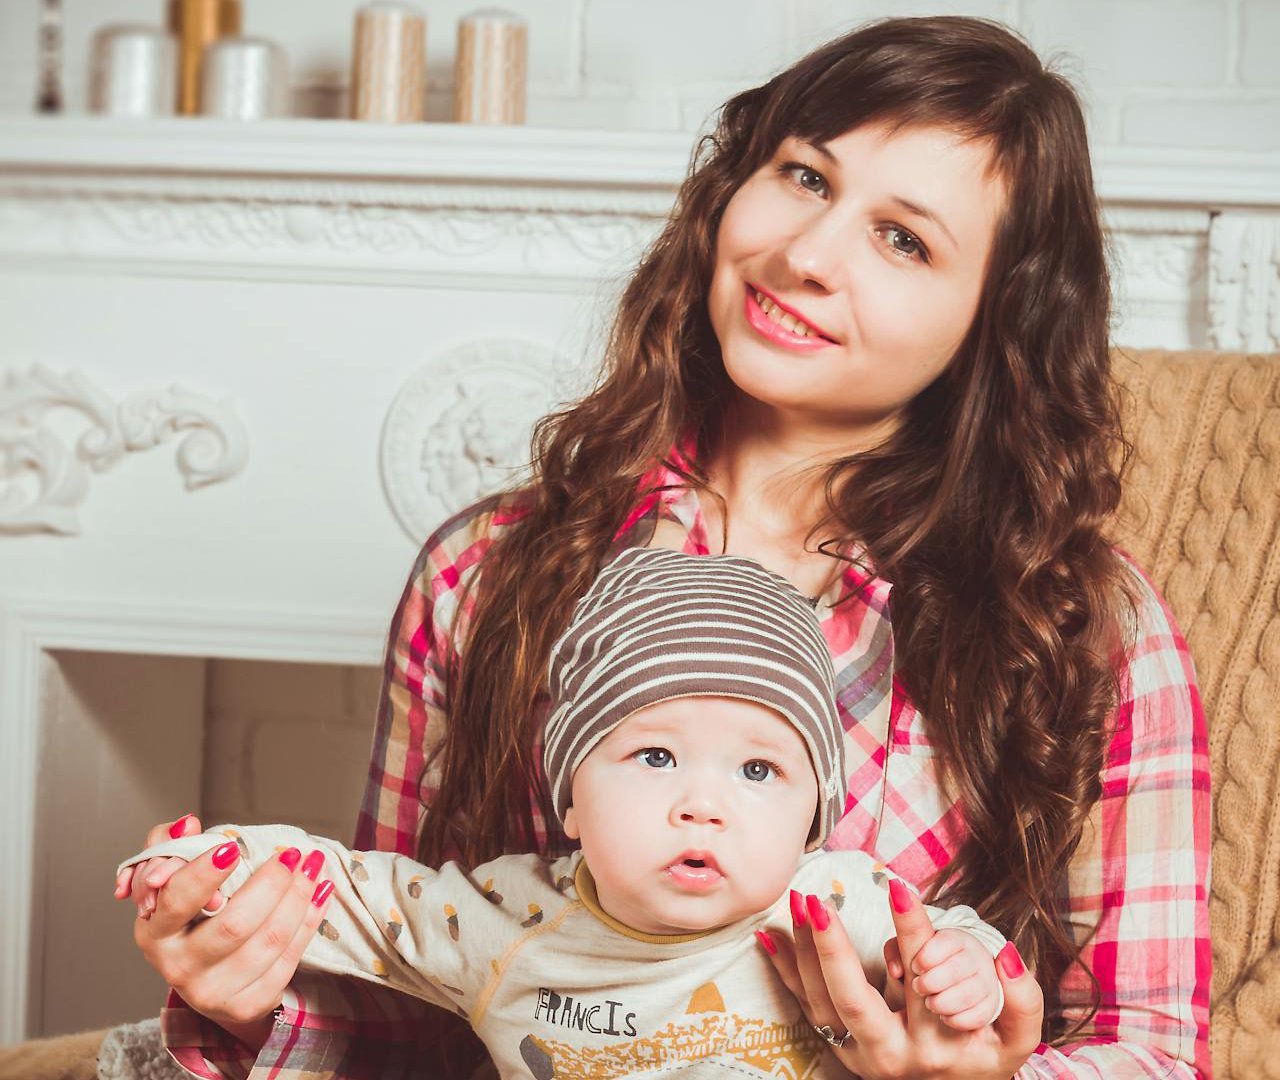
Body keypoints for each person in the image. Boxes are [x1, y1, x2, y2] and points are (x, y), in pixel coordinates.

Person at [116, 14, 1211, 1080]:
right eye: (804, 177)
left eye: (901, 239)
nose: (804, 255)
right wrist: (247, 990)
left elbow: (1158, 1050)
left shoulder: (1081, 628)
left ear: (993, 323)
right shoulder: (481, 576)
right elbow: (416, 1024)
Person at [118, 548, 1016, 1078]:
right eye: (654, 757)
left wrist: (963, 970)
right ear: (572, 801)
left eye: (759, 770)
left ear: (813, 816)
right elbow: (352, 892)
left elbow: (943, 941)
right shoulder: (502, 918)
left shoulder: (831, 905)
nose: (704, 805)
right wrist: (223, 864)